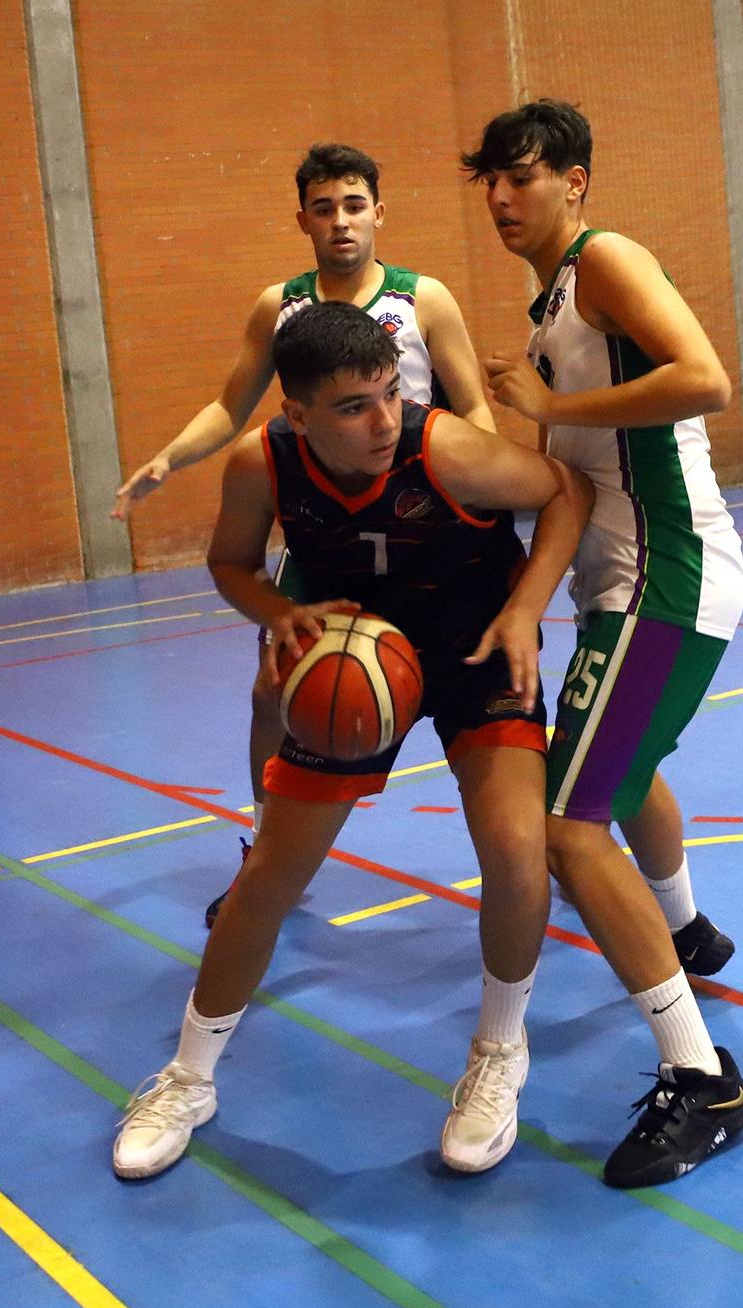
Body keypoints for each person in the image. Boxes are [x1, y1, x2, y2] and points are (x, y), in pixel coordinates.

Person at [112, 302, 591, 1180]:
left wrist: (526, 608)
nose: (381, 422)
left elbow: (568, 491)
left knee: (520, 850)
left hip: (471, 652)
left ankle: (497, 1051)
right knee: (269, 879)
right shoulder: (264, 460)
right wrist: (281, 615)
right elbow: (230, 564)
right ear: (295, 414)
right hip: (353, 663)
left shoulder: (445, 448)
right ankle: (188, 1076)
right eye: (351, 407)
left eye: (387, 396)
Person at [462, 98, 743, 1187]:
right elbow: (565, 481)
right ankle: (686, 933)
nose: (502, 195)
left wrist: (545, 398)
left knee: (567, 827)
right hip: (615, 586)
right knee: (620, 778)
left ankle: (702, 1078)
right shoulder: (548, 312)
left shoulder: (604, 264)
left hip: (666, 578)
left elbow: (706, 377)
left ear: (575, 179)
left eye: (523, 175)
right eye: (488, 178)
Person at [109, 143, 498, 924]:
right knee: (273, 695)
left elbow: (477, 415)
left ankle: (514, 847)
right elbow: (231, 405)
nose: (341, 221)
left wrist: (474, 501)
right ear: (304, 221)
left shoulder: (426, 299)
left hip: (420, 529)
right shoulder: (276, 305)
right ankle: (266, 852)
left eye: (355, 205)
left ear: (379, 213)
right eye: (324, 209)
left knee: (471, 698)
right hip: (325, 540)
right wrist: (170, 458)